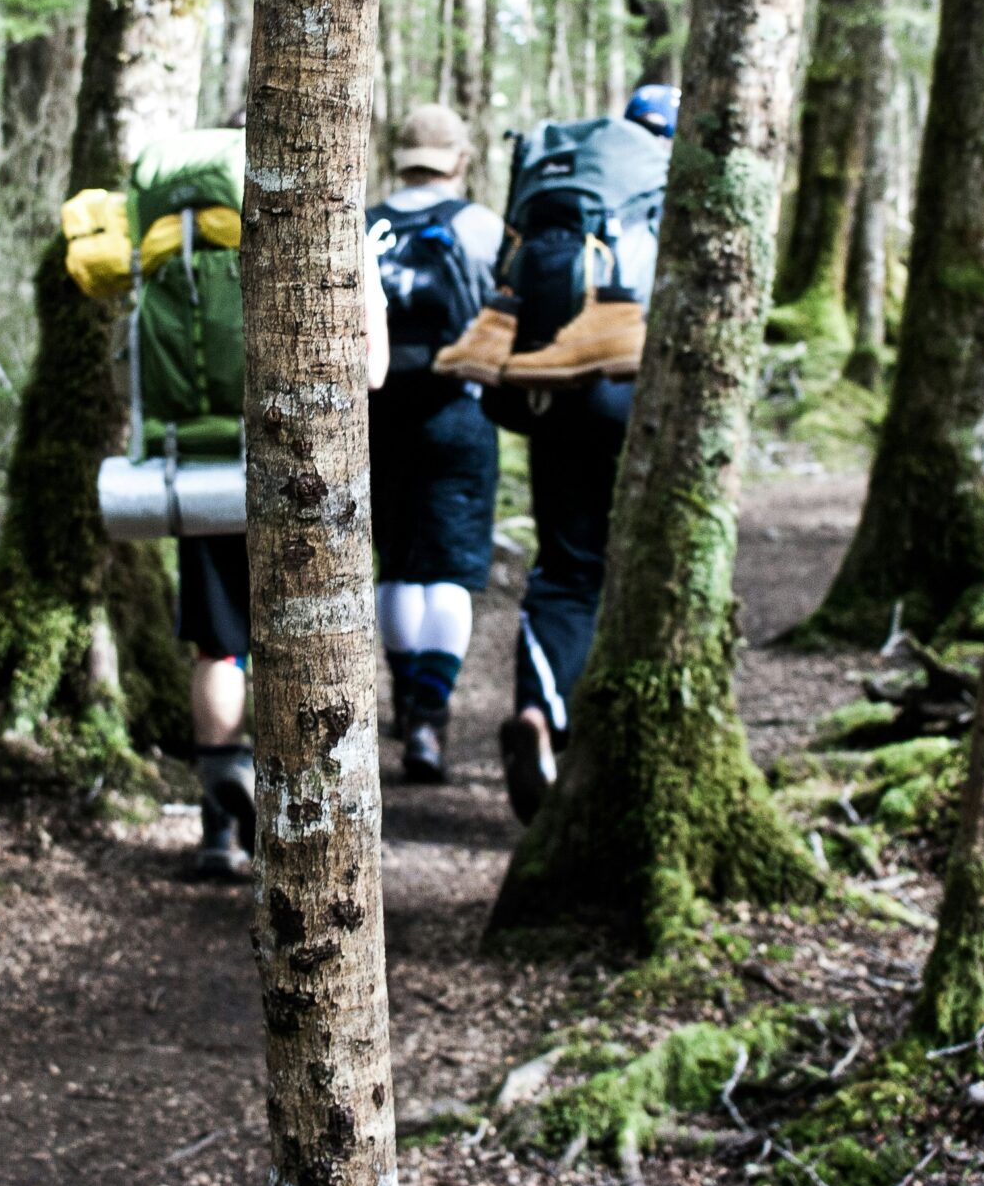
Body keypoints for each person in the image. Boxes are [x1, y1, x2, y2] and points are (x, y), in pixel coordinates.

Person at [435, 84, 677, 822]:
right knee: (648, 566)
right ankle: (621, 754)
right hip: (630, 388)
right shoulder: (667, 191)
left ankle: (540, 715)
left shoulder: (567, 177)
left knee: (567, 564)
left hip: (550, 384)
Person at [171, 114, 389, 879]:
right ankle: (306, 823)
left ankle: (216, 821)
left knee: (220, 642)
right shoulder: (334, 215)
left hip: (199, 460)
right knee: (308, 638)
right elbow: (374, 370)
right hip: (307, 467)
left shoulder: (183, 228)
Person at [366, 105, 506, 784]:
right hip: (459, 410)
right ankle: (429, 715)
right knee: (448, 566)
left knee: (397, 559)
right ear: (459, 158)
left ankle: (402, 695)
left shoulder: (365, 222)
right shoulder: (480, 227)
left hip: (377, 411)